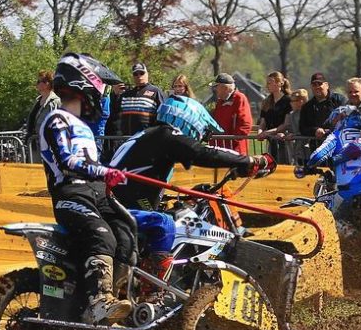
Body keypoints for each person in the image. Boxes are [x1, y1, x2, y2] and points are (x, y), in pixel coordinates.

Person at [107, 94, 274, 284]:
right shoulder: (167, 135)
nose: (200, 135)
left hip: (119, 202)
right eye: (201, 130)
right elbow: (202, 153)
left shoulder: (147, 135)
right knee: (166, 224)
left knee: (169, 216)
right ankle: (152, 288)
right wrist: (249, 160)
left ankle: (146, 278)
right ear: (189, 120)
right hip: (125, 208)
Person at [39, 52, 132, 324]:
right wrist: (105, 171)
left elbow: (94, 160)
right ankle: (99, 303)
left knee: (127, 233)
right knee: (102, 236)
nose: (102, 95)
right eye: (100, 89)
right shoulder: (56, 118)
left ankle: (118, 299)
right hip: (70, 191)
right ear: (85, 85)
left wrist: (113, 175)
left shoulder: (86, 128)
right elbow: (68, 162)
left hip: (96, 192)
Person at [209, 72, 253, 154]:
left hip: (235, 149)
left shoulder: (239, 98)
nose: (215, 90)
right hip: (220, 147)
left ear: (225, 88)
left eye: (217, 86)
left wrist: (234, 139)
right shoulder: (220, 102)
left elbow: (245, 124)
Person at [119, 62, 165, 136]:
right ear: (133, 76)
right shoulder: (126, 94)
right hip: (126, 137)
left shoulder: (155, 91)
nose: (139, 76)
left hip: (147, 137)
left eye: (141, 73)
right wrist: (115, 95)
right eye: (136, 74)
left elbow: (162, 115)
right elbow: (116, 115)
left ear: (147, 74)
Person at [256, 71, 292, 164]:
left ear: (280, 83)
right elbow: (263, 121)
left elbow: (286, 124)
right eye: (267, 83)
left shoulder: (288, 100)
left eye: (270, 82)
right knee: (272, 164)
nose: (267, 85)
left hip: (284, 140)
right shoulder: (267, 101)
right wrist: (260, 132)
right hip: (271, 141)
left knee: (285, 165)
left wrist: (267, 132)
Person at [300, 72, 346, 140]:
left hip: (337, 142)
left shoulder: (339, 100)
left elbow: (346, 121)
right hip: (316, 144)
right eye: (314, 85)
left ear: (327, 85)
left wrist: (327, 131)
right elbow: (302, 128)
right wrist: (315, 131)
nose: (317, 87)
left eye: (319, 84)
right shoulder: (307, 107)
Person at [25, 70, 61, 146]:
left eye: (44, 81)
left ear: (50, 83)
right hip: (34, 142)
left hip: (49, 144)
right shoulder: (37, 101)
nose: (40, 84)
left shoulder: (56, 101)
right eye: (38, 81)